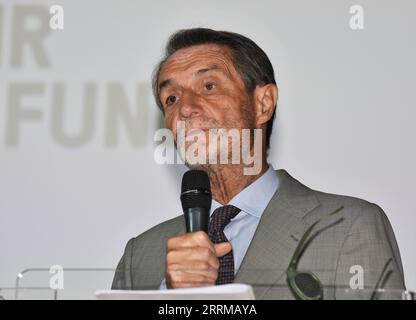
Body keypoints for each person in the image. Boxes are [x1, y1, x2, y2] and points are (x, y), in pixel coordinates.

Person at [111, 28, 406, 299]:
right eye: (171, 97)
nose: (185, 108)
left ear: (263, 103)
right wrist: (170, 296)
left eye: (209, 86)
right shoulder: (141, 256)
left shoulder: (349, 227)